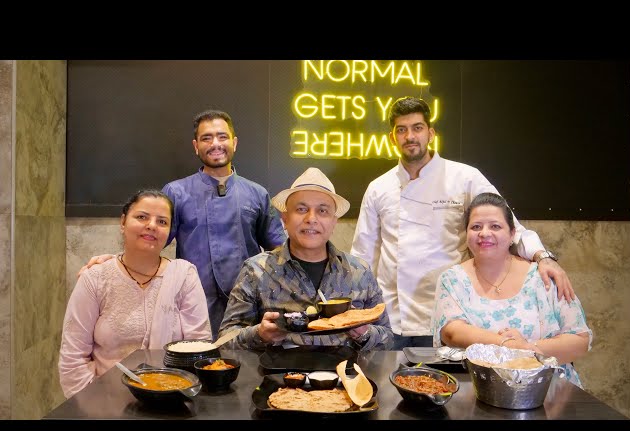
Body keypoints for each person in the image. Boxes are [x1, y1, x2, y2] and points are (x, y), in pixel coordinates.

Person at [350, 96, 575, 350]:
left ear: (431, 133)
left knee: (446, 387)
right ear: (393, 138)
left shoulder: (464, 177)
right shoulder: (378, 188)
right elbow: (362, 255)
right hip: (391, 315)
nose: (410, 136)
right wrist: (355, 311)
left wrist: (542, 256)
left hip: (451, 313)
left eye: (417, 128)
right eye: (401, 130)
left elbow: (507, 225)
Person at [80, 110, 286, 338]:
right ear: (196, 146)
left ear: (234, 143)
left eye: (222, 136)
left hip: (247, 309)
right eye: (207, 138)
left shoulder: (257, 193)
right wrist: (115, 261)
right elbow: (151, 241)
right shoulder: (176, 192)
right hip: (191, 305)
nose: (215, 143)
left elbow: (279, 249)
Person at [218, 167, 393, 351]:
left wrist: (364, 333)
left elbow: (387, 340)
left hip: (344, 376)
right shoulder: (256, 271)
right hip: (277, 377)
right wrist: (258, 334)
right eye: (301, 209)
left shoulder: (359, 272)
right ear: (285, 219)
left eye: (322, 211)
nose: (311, 218)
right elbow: (225, 340)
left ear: (334, 222)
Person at [59, 190, 212, 398]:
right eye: (142, 217)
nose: (151, 225)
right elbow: (72, 360)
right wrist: (94, 407)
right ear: (123, 222)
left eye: (162, 221)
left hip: (171, 400)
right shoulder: (95, 279)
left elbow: (199, 351)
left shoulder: (183, 277)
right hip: (106, 405)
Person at [433, 192, 592, 387]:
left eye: (495, 226)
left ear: (512, 234)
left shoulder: (544, 276)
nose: (484, 233)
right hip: (481, 390)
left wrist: (527, 349)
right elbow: (452, 332)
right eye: (476, 227)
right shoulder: (452, 279)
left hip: (551, 393)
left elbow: (579, 340)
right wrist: (508, 345)